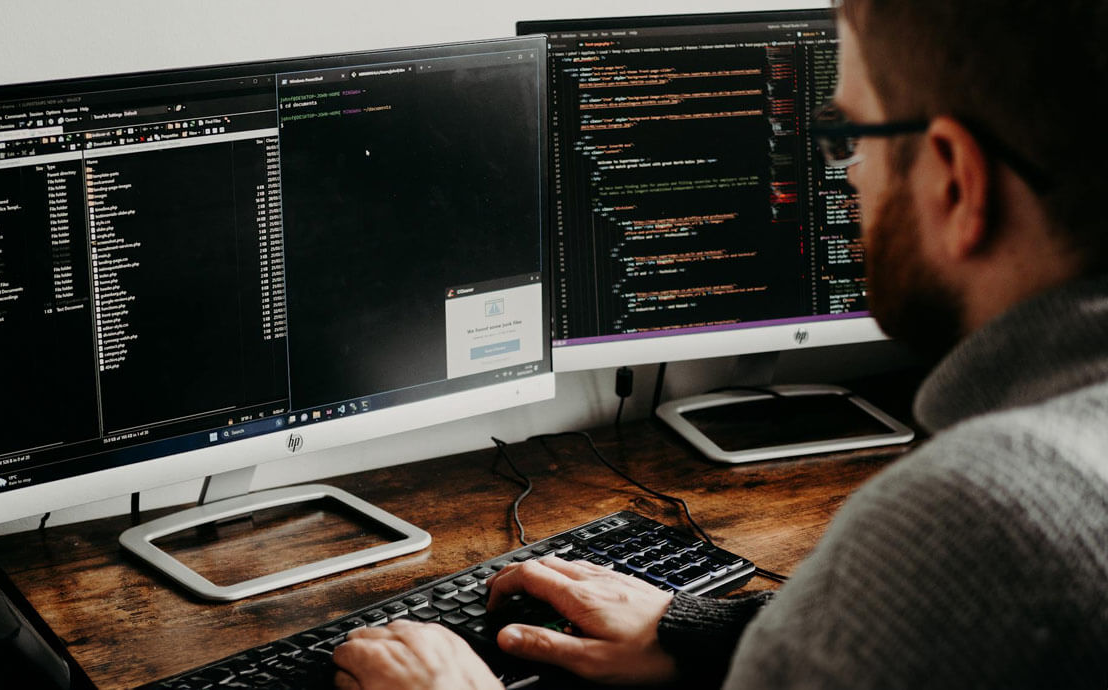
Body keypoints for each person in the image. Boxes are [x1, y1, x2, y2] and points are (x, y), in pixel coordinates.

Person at [332, 0, 1108, 686]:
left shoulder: (983, 514)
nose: (844, 181)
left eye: (851, 139)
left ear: (955, 182)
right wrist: (697, 630)